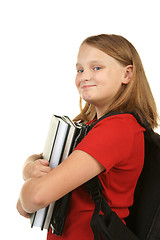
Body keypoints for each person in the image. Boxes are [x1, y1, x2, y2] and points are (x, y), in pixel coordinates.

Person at [17, 34, 159, 240]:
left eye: (97, 68)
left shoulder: (117, 128)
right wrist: (29, 166)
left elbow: (36, 197)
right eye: (80, 69)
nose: (84, 76)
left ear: (127, 74)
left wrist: (28, 182)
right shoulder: (90, 127)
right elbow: (26, 206)